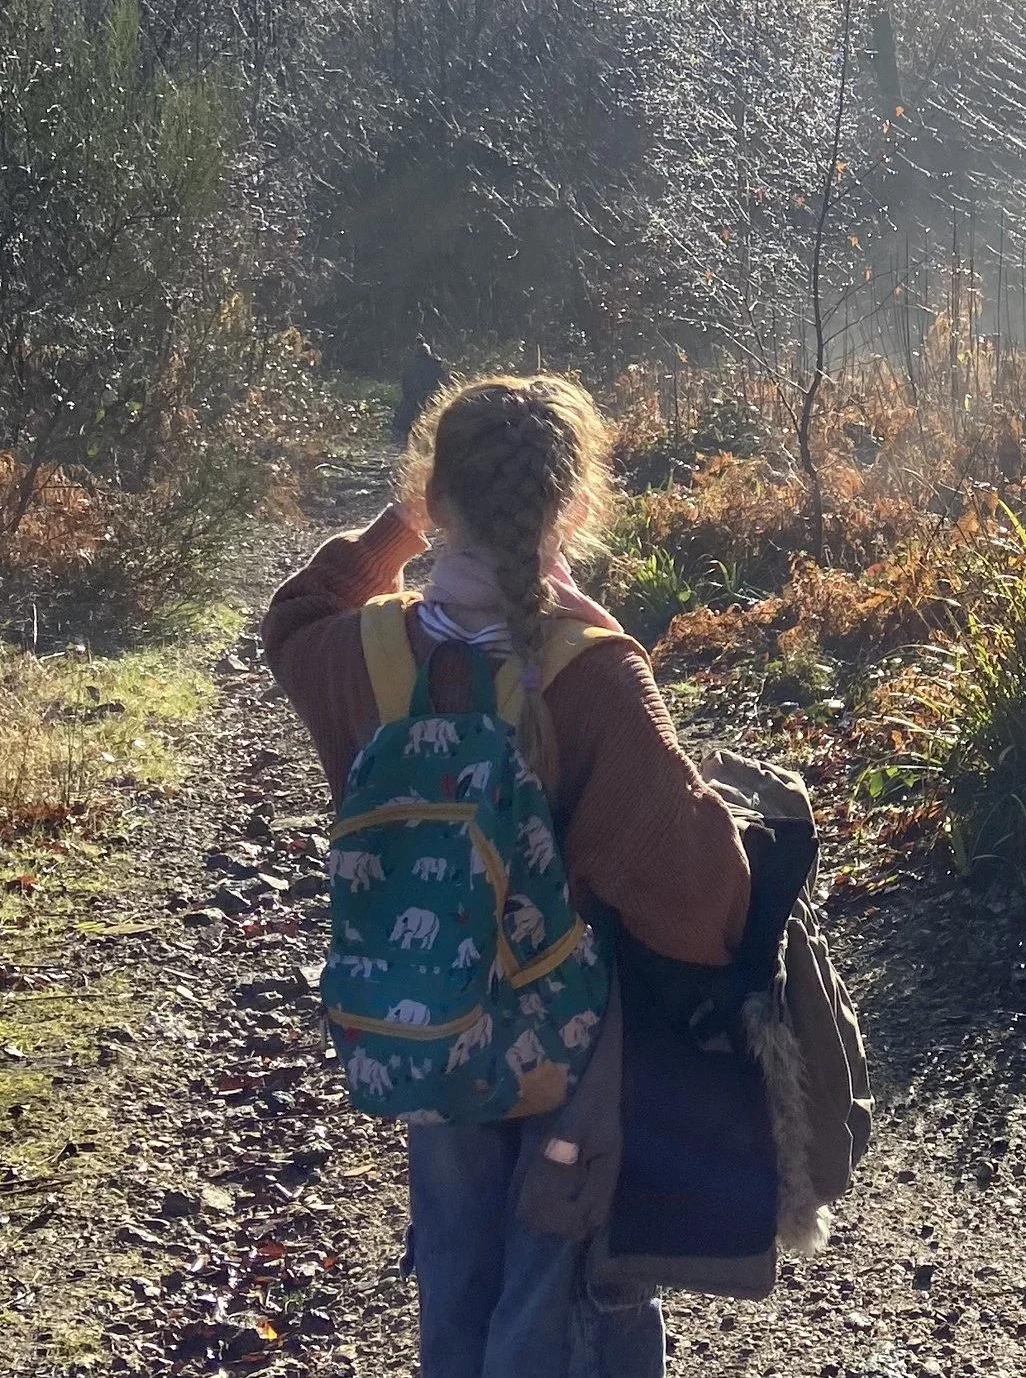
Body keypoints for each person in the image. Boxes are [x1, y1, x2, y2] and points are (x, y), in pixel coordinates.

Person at [264, 374, 751, 1378]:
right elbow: (705, 899)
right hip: (567, 1040)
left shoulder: (362, 654)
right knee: (559, 1273)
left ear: (435, 497)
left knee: (456, 1265)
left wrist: (400, 528)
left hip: (426, 1024)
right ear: (572, 507)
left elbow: (295, 614)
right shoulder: (595, 675)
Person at [393, 339, 448, 444]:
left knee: (404, 418)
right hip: (430, 398)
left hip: (418, 398)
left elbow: (405, 384)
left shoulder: (412, 366)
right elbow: (444, 382)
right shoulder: (435, 365)